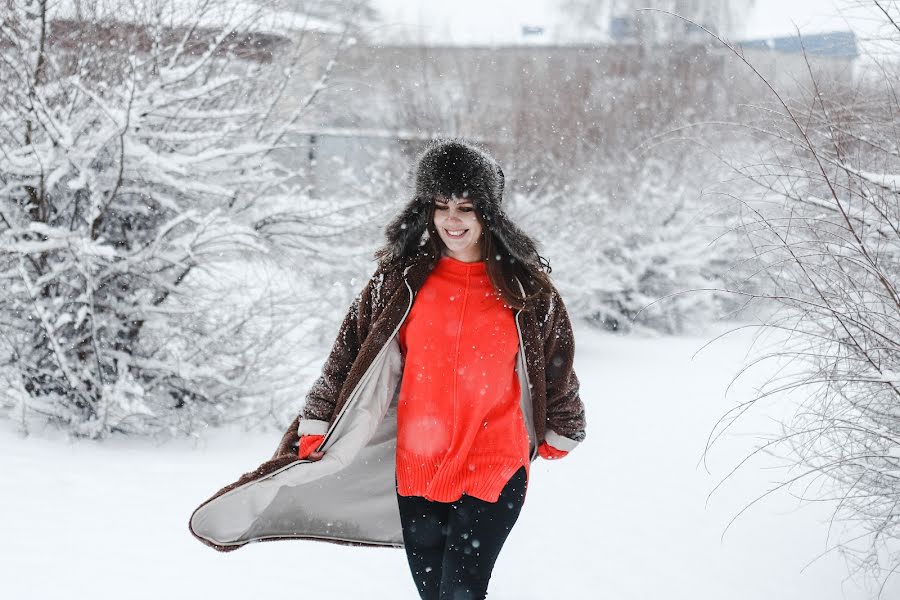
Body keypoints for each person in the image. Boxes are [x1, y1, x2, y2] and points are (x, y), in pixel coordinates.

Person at [188, 139, 586, 600]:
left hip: (495, 461)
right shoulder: (399, 282)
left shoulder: (526, 289)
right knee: (432, 589)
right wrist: (318, 420)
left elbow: (558, 360)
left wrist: (564, 422)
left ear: (489, 213)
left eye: (465, 208)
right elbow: (347, 355)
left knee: (461, 591)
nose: (451, 221)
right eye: (440, 206)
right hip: (417, 463)